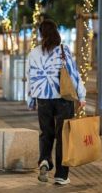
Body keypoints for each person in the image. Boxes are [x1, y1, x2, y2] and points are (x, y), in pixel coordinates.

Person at [26, 19, 86, 185]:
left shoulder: (34, 53)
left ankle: (44, 160)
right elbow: (73, 75)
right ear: (56, 32)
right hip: (62, 98)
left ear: (41, 34)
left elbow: (30, 77)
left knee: (46, 133)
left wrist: (30, 100)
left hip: (43, 98)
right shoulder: (63, 50)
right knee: (62, 136)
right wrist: (81, 96)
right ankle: (61, 175)